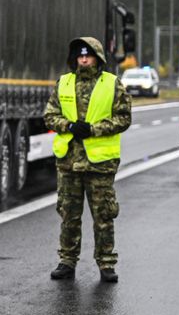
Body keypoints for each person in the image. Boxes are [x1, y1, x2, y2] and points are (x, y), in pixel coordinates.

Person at [42, 36, 132, 283]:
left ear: (97, 58)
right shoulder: (64, 83)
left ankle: (106, 263)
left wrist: (94, 129)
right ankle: (67, 261)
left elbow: (123, 118)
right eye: (80, 55)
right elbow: (49, 116)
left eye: (88, 55)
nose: (83, 59)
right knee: (68, 214)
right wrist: (69, 125)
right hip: (69, 162)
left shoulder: (112, 84)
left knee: (103, 215)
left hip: (100, 164)